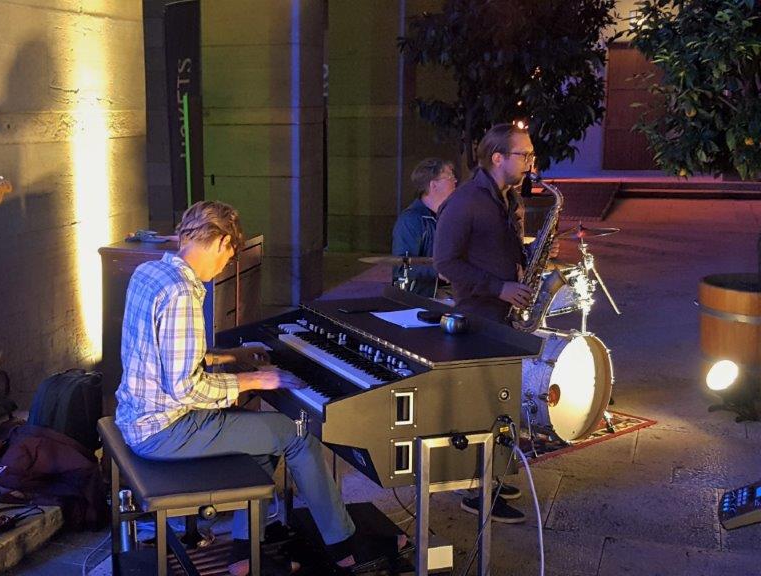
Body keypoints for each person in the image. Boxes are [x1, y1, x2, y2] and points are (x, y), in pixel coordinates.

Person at [114, 200, 405, 575]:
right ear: (222, 242)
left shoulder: (150, 272)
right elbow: (186, 388)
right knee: (296, 433)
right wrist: (256, 379)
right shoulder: (182, 293)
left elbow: (163, 355)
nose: (225, 266)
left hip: (138, 418)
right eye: (229, 256)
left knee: (264, 437)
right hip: (166, 431)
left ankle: (245, 553)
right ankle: (345, 548)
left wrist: (230, 355)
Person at [432, 123, 539, 524]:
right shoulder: (466, 201)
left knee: (500, 403)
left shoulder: (506, 198)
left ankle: (490, 477)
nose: (531, 163)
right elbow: (445, 262)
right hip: (479, 316)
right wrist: (499, 287)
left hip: (501, 314)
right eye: (524, 155)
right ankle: (476, 491)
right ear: (498, 158)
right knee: (482, 406)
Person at [390, 157, 457, 297]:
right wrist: (439, 271)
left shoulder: (450, 216)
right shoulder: (411, 220)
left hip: (452, 293)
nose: (455, 181)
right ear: (433, 185)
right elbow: (401, 267)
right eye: (450, 177)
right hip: (424, 297)